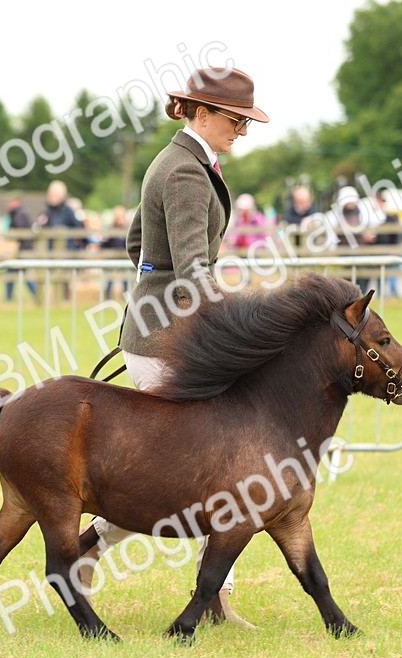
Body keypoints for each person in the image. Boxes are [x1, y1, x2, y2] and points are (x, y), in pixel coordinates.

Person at [77, 65, 269, 628]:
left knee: (196, 471)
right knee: (217, 471)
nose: (241, 130)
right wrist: (234, 322)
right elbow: (191, 270)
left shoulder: (179, 160)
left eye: (245, 121)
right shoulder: (184, 172)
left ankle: (92, 548)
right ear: (201, 112)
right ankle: (212, 595)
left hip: (163, 328)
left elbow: (140, 242)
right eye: (234, 120)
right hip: (169, 339)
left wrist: (150, 288)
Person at [37, 180, 86, 300]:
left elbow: (80, 228)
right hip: (49, 249)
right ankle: (51, 300)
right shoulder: (47, 210)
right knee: (49, 277)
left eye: (54, 194)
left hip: (65, 251)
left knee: (63, 278)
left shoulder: (68, 211)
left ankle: (63, 301)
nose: (51, 196)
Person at [3, 196, 36, 301]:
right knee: (15, 273)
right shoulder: (17, 213)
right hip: (21, 250)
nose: (9, 204)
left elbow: (18, 231)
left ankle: (9, 297)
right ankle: (9, 297)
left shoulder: (20, 214)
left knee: (22, 274)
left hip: (22, 250)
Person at [102, 205, 131, 300]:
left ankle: (125, 297)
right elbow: (105, 244)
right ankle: (107, 297)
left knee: (125, 279)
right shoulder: (110, 229)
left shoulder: (128, 229)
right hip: (112, 258)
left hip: (124, 258)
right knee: (109, 279)